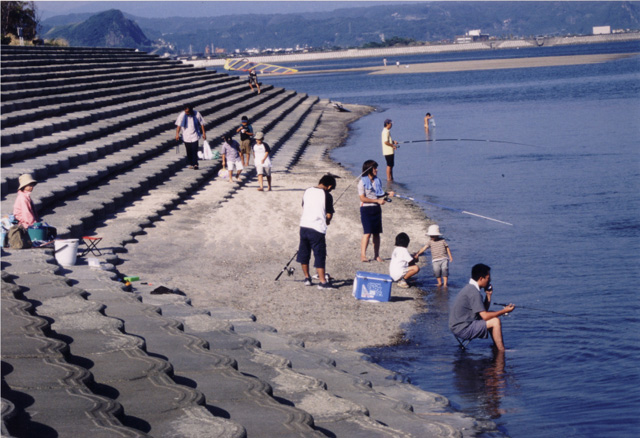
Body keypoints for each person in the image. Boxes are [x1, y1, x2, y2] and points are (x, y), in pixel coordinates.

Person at [449, 264, 515, 351]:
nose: (490, 280)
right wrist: (504, 311)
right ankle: (501, 351)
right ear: (481, 278)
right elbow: (485, 316)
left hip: (459, 326)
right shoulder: (474, 292)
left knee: (492, 315)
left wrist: (488, 295)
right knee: (495, 321)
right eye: (488, 278)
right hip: (462, 329)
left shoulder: (470, 288)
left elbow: (484, 311)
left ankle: (496, 347)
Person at [296, 174, 336, 290]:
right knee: (319, 254)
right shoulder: (327, 195)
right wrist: (327, 221)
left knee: (304, 252)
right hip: (317, 229)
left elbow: (304, 205)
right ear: (329, 186)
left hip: (304, 226)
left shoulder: (307, 191)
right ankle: (323, 282)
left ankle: (307, 278)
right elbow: (329, 215)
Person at [358, 160, 394, 262]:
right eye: (374, 168)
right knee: (367, 233)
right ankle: (363, 255)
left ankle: (376, 255)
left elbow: (379, 193)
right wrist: (377, 200)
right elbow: (362, 198)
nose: (376, 170)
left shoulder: (377, 180)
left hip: (376, 209)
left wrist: (387, 194)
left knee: (377, 233)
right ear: (369, 169)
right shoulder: (362, 182)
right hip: (366, 209)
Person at [13, 173, 56, 239]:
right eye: (30, 185)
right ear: (24, 186)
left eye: (32, 185)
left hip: (27, 222)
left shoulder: (25, 196)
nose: (32, 187)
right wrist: (35, 224)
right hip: (24, 224)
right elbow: (26, 214)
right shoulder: (23, 198)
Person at [175, 104, 206, 170]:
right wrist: (177, 134)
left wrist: (204, 133)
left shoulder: (196, 114)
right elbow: (178, 126)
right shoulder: (182, 115)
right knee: (188, 151)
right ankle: (191, 163)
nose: (187, 113)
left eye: (188, 112)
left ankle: (195, 164)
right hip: (186, 135)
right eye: (186, 112)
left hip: (195, 134)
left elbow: (202, 124)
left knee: (194, 150)